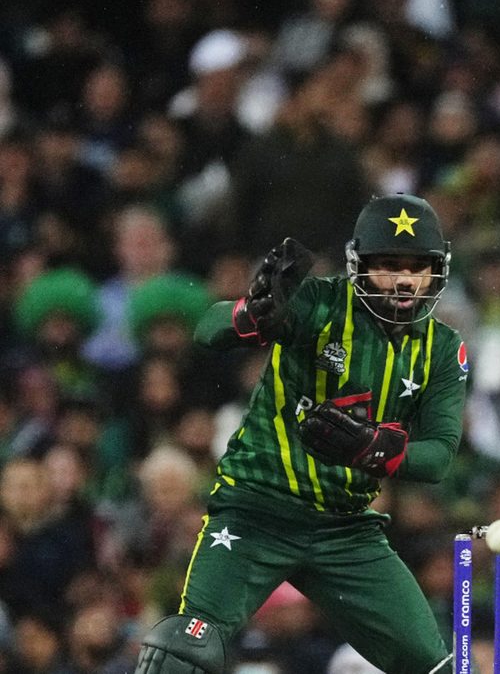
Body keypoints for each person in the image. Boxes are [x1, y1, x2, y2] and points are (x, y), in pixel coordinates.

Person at [134, 193, 468, 674]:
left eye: (417, 268)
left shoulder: (443, 348)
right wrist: (250, 315)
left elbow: (438, 457)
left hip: (345, 529)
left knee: (432, 667)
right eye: (388, 265)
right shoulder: (319, 303)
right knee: (182, 654)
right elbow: (208, 330)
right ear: (359, 264)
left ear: (436, 271)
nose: (403, 280)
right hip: (254, 512)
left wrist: (370, 448)